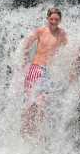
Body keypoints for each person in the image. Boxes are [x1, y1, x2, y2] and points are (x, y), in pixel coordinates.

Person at [21, 7, 67, 137]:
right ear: (48, 19)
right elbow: (26, 46)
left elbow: (69, 48)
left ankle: (37, 135)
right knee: (30, 104)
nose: (53, 21)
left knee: (42, 105)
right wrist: (24, 64)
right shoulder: (41, 31)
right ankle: (25, 133)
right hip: (35, 69)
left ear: (60, 20)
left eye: (56, 19)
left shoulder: (62, 34)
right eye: (51, 19)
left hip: (48, 73)